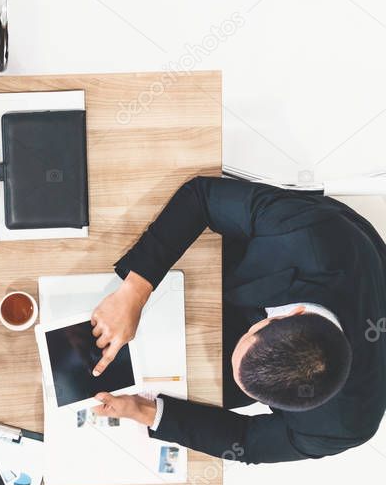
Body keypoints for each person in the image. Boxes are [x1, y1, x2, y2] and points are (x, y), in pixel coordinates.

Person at [89, 176, 386, 464]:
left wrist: (146, 412)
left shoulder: (345, 426)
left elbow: (247, 442)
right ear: (289, 313)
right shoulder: (308, 233)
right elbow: (201, 197)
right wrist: (135, 290)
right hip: (269, 261)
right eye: (244, 347)